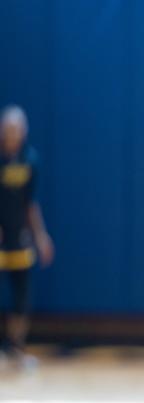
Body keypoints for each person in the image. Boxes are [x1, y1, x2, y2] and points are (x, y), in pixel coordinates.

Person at [0, 105, 54, 368]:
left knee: (22, 295)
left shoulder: (30, 160)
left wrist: (41, 236)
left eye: (17, 129)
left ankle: (15, 349)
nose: (13, 134)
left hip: (20, 237)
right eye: (8, 129)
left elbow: (31, 204)